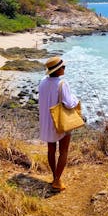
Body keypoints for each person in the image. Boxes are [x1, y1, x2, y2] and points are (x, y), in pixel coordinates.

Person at [38, 56, 79, 191]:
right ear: (58, 70)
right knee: (63, 151)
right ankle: (57, 180)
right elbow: (69, 102)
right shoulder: (62, 83)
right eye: (63, 67)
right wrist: (76, 100)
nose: (64, 68)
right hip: (61, 121)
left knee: (51, 150)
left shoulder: (43, 82)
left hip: (48, 120)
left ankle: (55, 177)